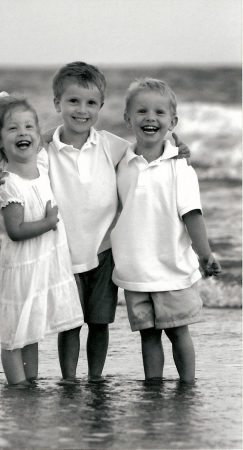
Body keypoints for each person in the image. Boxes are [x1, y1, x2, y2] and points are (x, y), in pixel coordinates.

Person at [0, 62, 191, 384]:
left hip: (103, 250)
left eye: (91, 103)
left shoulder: (112, 145)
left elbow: (147, 151)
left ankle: (94, 376)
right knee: (69, 323)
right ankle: (69, 378)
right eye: (73, 102)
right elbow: (19, 166)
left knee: (99, 323)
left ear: (100, 107)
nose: (82, 110)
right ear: (58, 104)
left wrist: (176, 148)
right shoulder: (45, 148)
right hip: (62, 253)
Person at [110, 78, 222, 382]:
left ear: (172, 122)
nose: (150, 118)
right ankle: (153, 388)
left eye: (159, 113)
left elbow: (193, 214)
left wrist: (205, 253)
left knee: (178, 332)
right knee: (148, 336)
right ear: (127, 118)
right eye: (142, 111)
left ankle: (188, 385)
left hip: (172, 266)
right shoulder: (121, 162)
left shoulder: (180, 168)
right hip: (135, 269)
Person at [0, 92, 83, 387]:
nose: (23, 133)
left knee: (31, 332)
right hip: (23, 267)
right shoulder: (10, 184)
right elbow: (15, 231)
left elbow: (57, 135)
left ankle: (31, 382)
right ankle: (17, 387)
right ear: (0, 141)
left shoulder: (40, 168)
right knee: (16, 335)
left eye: (29, 127)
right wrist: (48, 222)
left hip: (41, 265)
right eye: (13, 128)